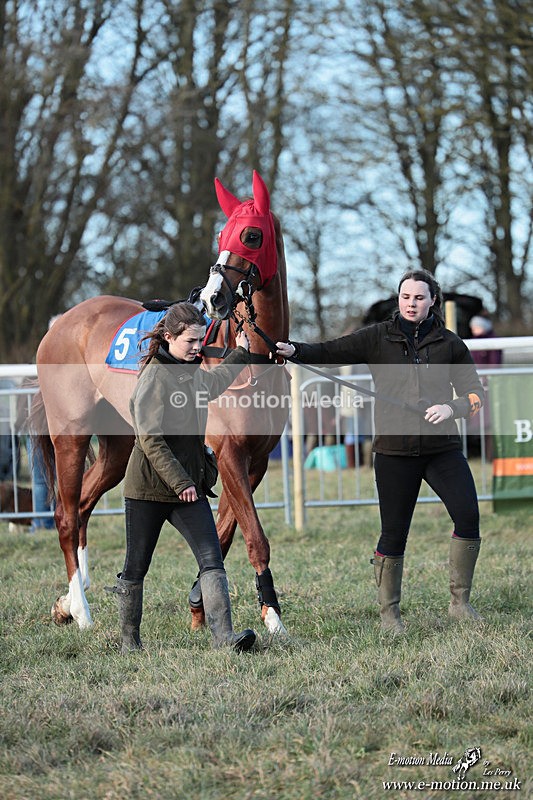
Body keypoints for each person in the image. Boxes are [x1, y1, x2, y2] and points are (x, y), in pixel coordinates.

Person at [277, 269, 485, 634]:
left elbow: (475, 395)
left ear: (432, 301)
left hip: (442, 449)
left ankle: (460, 603)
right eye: (406, 297)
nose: (411, 303)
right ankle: (390, 615)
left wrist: (452, 408)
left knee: (468, 516)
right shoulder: (378, 338)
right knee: (394, 533)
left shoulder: (450, 343)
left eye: (419, 298)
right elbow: (330, 350)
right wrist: (295, 349)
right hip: (394, 451)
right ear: (399, 298)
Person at [107, 302, 256, 653]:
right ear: (169, 337)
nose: (197, 347)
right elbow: (149, 439)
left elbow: (214, 383)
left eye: (200, 340)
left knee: (211, 559)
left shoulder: (188, 371)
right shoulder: (155, 377)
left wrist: (240, 354)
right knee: (136, 566)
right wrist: (182, 482)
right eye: (190, 341)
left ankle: (224, 639)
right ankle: (129, 642)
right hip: (148, 490)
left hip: (188, 487)